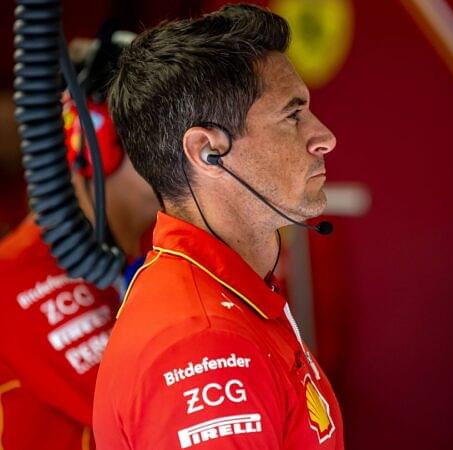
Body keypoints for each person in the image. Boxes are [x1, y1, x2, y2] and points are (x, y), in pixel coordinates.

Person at [93, 4, 342, 450]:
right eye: (293, 115)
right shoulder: (206, 346)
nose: (324, 136)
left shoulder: (226, 295)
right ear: (207, 151)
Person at [0, 90, 158, 449]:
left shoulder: (159, 248)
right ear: (99, 144)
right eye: (167, 122)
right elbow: (153, 420)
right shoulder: (16, 276)